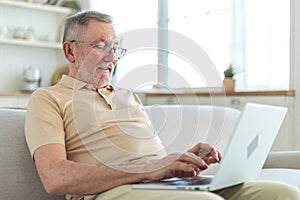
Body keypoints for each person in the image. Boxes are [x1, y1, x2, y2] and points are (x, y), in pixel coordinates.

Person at [25, 10, 300, 200]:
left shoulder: (127, 97)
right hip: (110, 191)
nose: (112, 57)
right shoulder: (48, 99)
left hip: (160, 185)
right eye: (100, 45)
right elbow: (54, 178)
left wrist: (180, 159)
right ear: (70, 50)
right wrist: (146, 172)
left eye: (116, 47)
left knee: (282, 193)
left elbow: (149, 161)